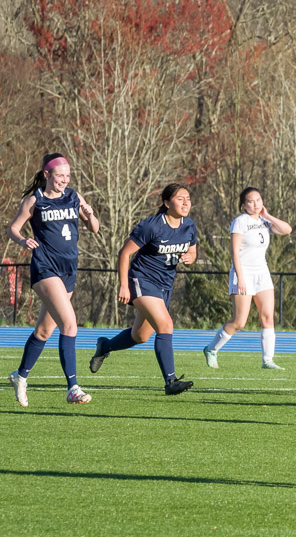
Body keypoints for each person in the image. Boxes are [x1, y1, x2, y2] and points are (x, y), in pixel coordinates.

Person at [6, 153, 100, 406]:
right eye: (60, 176)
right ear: (47, 175)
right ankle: (73, 388)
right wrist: (23, 240)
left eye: (68, 176)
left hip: (69, 269)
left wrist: (90, 214)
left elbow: (95, 227)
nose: (64, 180)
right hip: (45, 268)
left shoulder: (73, 196)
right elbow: (12, 228)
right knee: (69, 324)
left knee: (45, 330)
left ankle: (20, 376)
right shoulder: (34, 201)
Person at [89, 184, 198, 395]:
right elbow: (124, 253)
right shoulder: (152, 226)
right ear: (167, 203)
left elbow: (193, 253)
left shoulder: (189, 225)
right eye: (180, 198)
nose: (186, 202)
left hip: (165, 285)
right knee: (165, 325)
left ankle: (105, 346)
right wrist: (123, 285)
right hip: (142, 280)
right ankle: (171, 381)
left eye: (188, 198)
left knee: (140, 336)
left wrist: (189, 258)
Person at [202, 188, 293, 370]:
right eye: (251, 201)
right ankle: (211, 349)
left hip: (263, 274)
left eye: (258, 200)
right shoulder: (240, 222)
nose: (256, 204)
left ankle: (268, 360)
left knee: (267, 317)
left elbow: (287, 230)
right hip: (243, 273)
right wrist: (240, 278)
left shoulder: (265, 221)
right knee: (239, 322)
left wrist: (268, 215)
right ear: (243, 205)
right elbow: (234, 252)